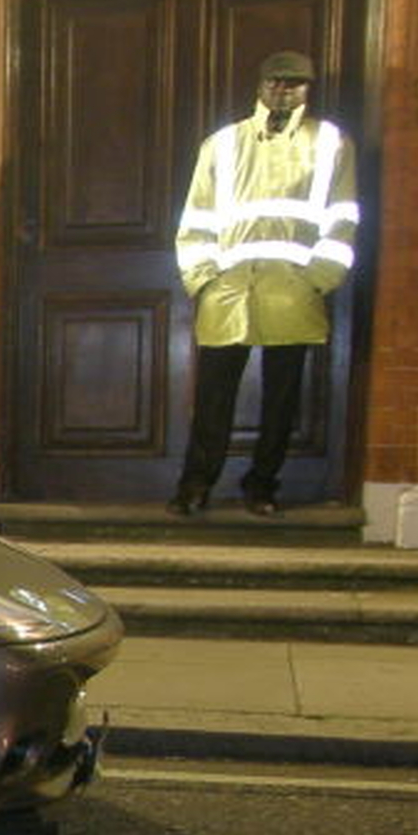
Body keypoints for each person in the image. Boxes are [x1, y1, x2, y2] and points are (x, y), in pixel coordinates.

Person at [169, 49, 357, 517]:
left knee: (282, 401)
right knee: (212, 398)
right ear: (259, 84)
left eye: (294, 83)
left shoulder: (331, 142)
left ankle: (262, 485)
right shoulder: (223, 144)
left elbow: (344, 216)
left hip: (292, 290)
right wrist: (203, 281)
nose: (284, 90)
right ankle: (195, 484)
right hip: (229, 290)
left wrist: (318, 280)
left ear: (308, 89)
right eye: (276, 81)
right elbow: (197, 217)